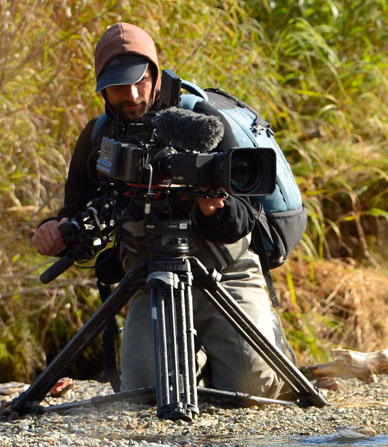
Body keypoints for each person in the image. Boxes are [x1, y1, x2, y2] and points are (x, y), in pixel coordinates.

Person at [32, 22, 284, 399]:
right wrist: (53, 228)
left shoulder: (204, 122)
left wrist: (213, 207)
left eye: (140, 81)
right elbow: (76, 208)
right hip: (150, 277)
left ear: (154, 73)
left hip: (225, 272)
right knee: (146, 392)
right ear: (101, 86)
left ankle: (238, 349)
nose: (131, 95)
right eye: (118, 86)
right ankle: (191, 360)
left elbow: (244, 218)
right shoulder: (99, 135)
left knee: (253, 389)